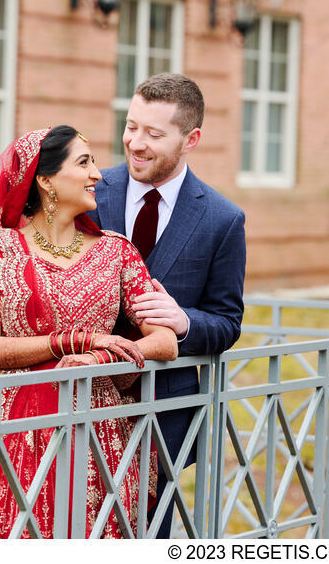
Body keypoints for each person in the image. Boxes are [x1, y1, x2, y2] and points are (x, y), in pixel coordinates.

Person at [0, 125, 178, 539]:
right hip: (16, 429)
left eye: (94, 162)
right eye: (84, 162)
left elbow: (165, 340)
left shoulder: (117, 250)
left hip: (99, 433)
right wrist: (75, 339)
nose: (97, 174)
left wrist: (98, 357)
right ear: (44, 180)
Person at [87, 73, 246, 537]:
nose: (135, 143)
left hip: (163, 415)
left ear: (191, 139)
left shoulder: (223, 219)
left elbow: (227, 321)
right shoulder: (89, 192)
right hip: (78, 402)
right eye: (130, 125)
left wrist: (183, 321)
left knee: (148, 536)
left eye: (153, 134)